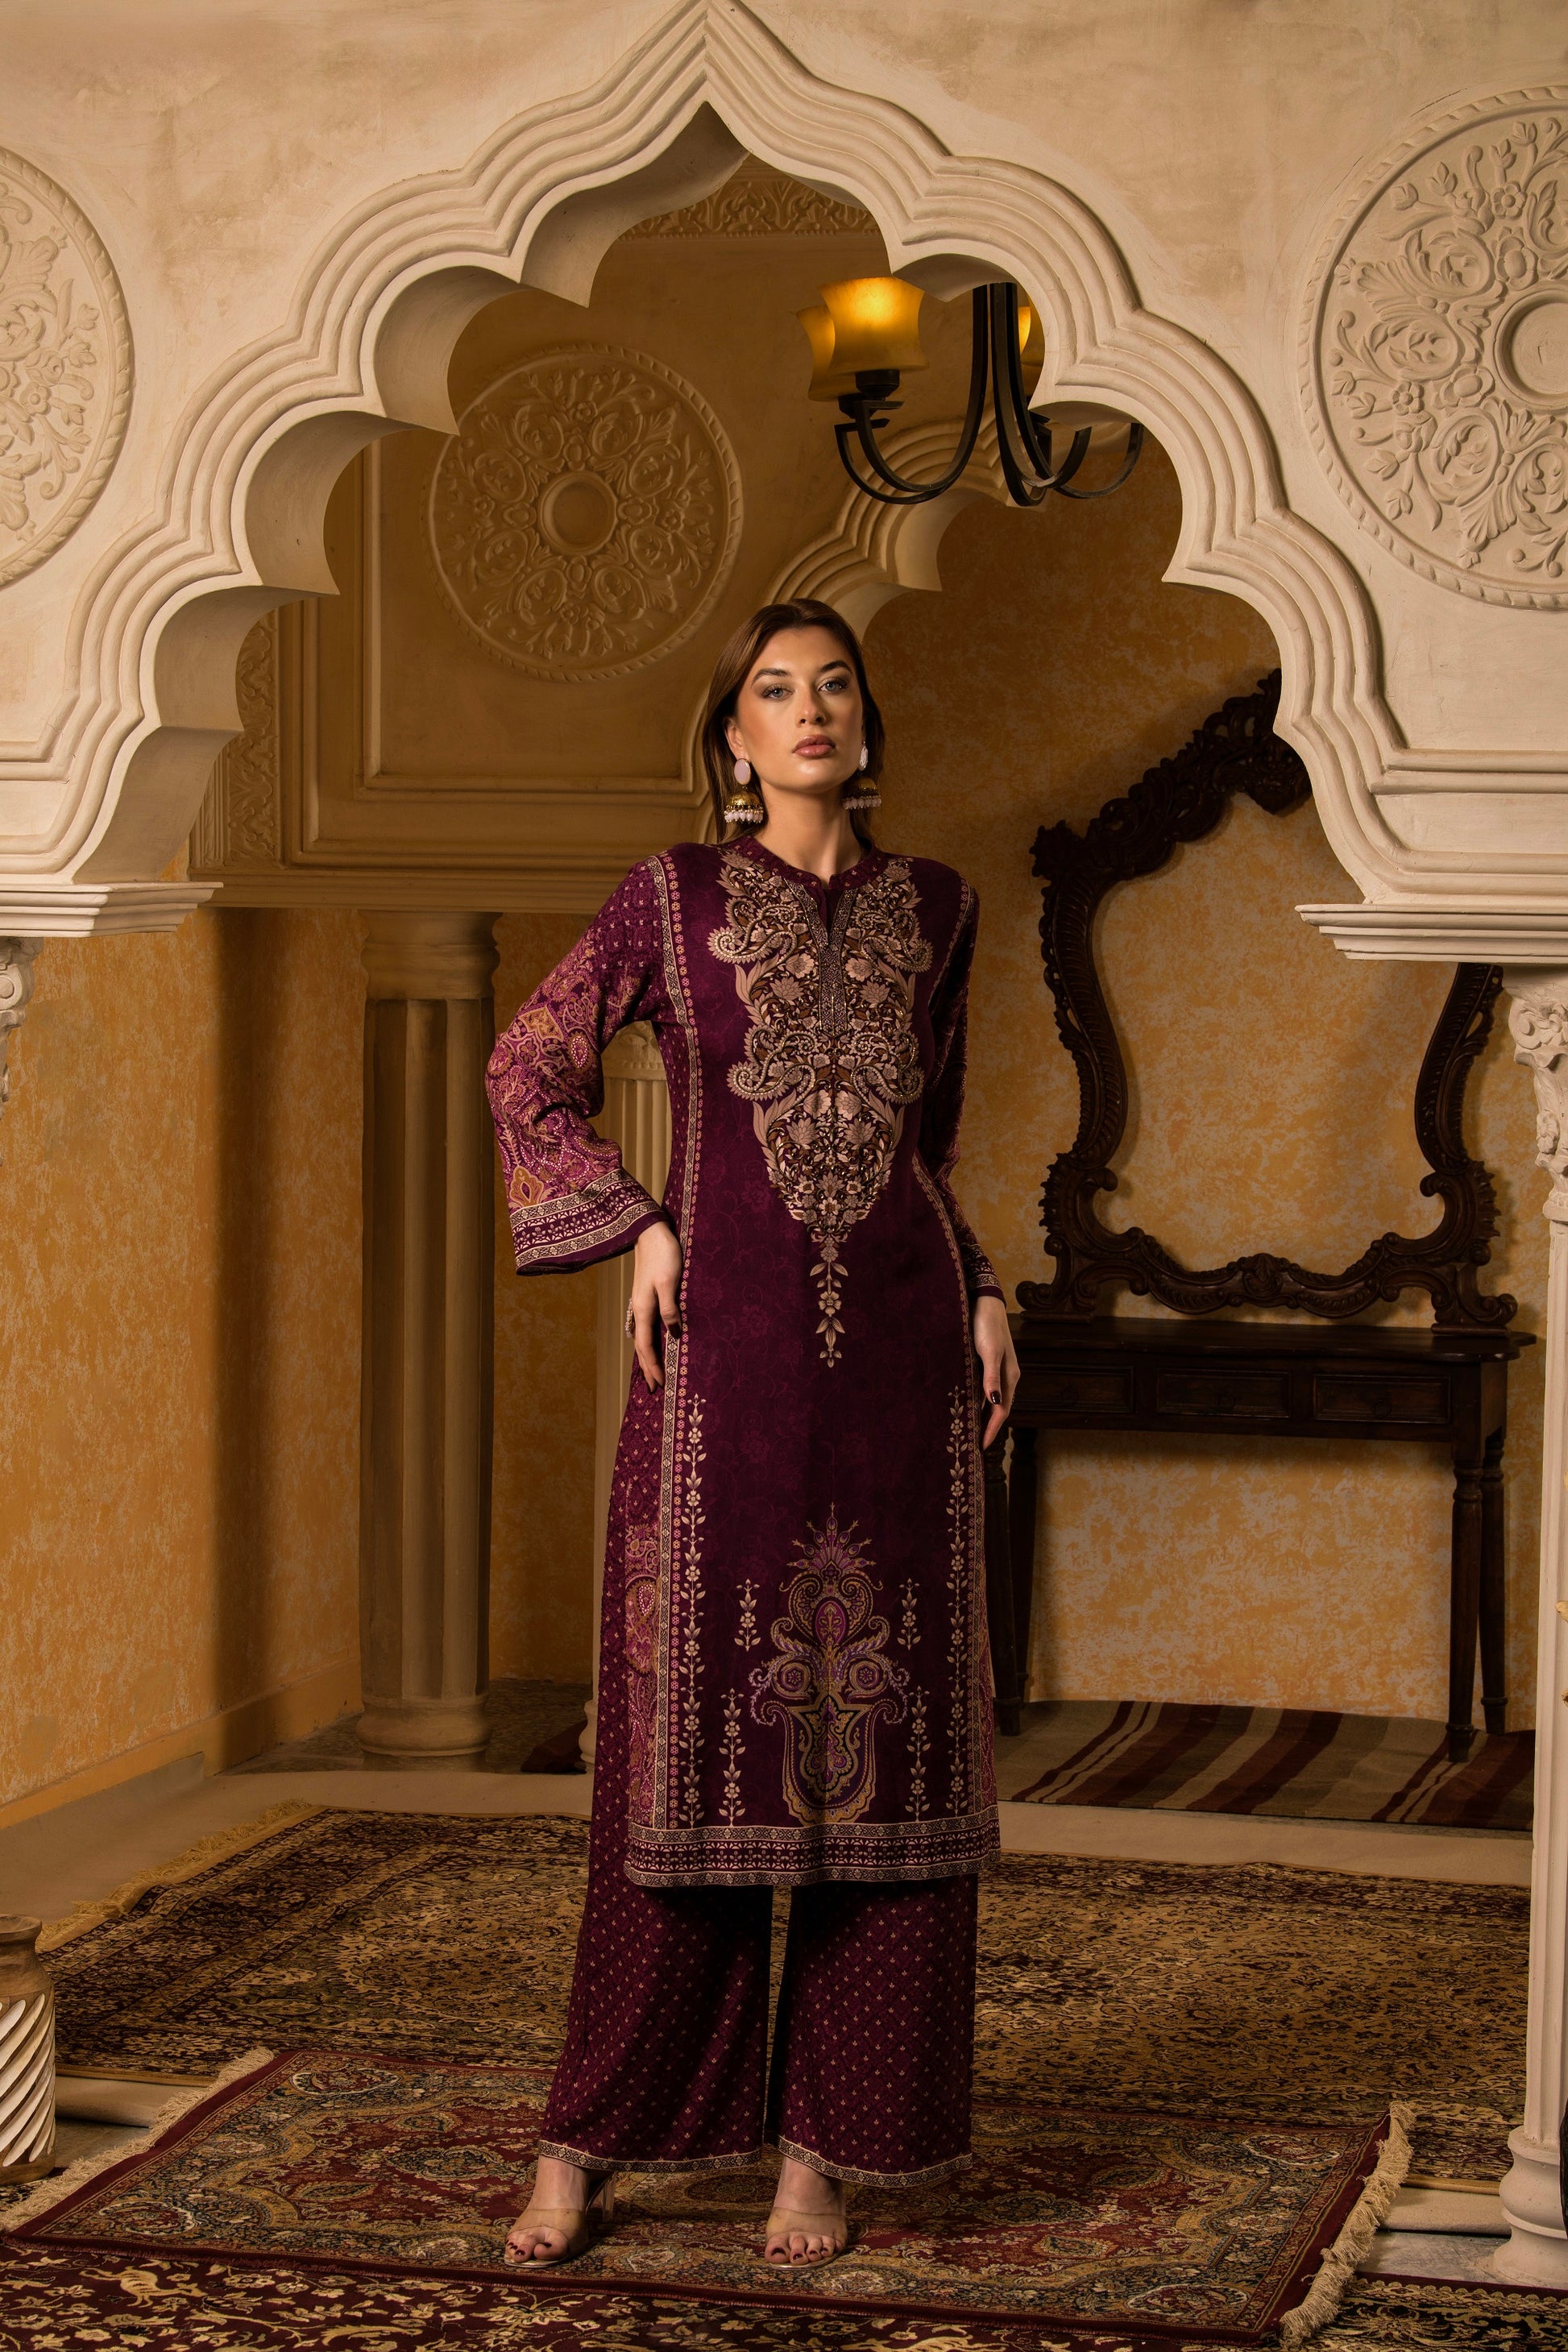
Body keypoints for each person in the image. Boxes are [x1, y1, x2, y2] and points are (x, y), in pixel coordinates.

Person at [486, 596, 1020, 2270]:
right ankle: (588, 2135)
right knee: (684, 1767)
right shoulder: (671, 895)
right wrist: (635, 1223)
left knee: (884, 1761)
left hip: (902, 1377)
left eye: (833, 685)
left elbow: (927, 1142)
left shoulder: (941, 906)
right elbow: (526, 1069)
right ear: (732, 734)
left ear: (866, 718)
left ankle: (825, 2151)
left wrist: (983, 1285)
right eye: (775, 691)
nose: (810, 711)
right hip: (719, 1370)